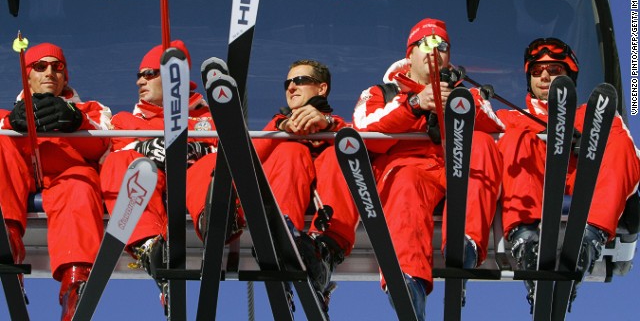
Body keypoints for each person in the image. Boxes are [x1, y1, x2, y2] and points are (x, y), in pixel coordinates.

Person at [352, 18, 503, 320]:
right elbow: (364, 130)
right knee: (405, 182)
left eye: (443, 46)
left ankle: (465, 244)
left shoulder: (464, 92)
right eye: (427, 44)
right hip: (412, 169)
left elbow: (497, 126)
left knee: (482, 143)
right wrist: (414, 105)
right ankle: (407, 284)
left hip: (457, 167)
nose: (435, 51)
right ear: (410, 53)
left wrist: (458, 107)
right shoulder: (383, 92)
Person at [187, 59, 358, 312]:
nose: (291, 87)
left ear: (322, 88)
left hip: (324, 218)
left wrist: (329, 126)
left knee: (338, 156)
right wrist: (280, 128)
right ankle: (278, 236)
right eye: (287, 83)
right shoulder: (277, 129)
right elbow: (245, 162)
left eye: (299, 80)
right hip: (280, 205)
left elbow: (361, 155)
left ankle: (323, 255)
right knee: (288, 153)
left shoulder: (340, 129)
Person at [496, 37, 640, 309]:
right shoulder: (513, 117)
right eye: (537, 71)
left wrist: (585, 141)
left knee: (618, 141)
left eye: (554, 70)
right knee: (514, 138)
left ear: (569, 76)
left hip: (582, 181)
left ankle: (588, 240)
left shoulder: (594, 117)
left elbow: (627, 159)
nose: (545, 76)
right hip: (533, 183)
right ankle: (527, 242)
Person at [99, 40, 243, 312]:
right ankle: (151, 248)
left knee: (213, 162)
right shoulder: (126, 121)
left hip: (190, 185)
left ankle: (216, 218)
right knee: (122, 163)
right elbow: (112, 152)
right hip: (150, 188)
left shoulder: (209, 116)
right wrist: (143, 147)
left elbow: (234, 151)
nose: (141, 80)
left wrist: (201, 147)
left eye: (149, 73)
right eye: (138, 75)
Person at [0, 42, 112, 320]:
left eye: (57, 67)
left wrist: (76, 121)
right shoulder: (8, 116)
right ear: (27, 75)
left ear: (66, 76)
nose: (50, 72)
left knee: (80, 181)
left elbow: (109, 142)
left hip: (66, 177)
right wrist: (11, 124)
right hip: (20, 178)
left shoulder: (90, 110)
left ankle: (75, 283)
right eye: (40, 66)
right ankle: (7, 239)